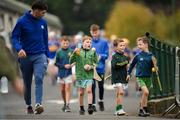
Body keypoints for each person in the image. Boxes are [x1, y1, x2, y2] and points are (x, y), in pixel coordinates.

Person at [12, 0, 49, 114]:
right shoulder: (22, 21)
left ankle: (38, 104)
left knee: (38, 78)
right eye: (43, 12)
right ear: (36, 11)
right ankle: (28, 105)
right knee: (27, 83)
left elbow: (45, 40)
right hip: (25, 56)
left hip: (40, 55)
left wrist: (47, 56)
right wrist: (19, 49)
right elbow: (14, 37)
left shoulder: (43, 22)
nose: (44, 15)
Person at [127, 36, 157, 117]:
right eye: (138, 44)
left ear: (146, 44)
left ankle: (144, 109)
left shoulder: (151, 56)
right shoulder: (138, 55)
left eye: (140, 44)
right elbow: (132, 65)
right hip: (140, 77)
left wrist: (155, 66)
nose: (138, 46)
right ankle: (142, 109)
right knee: (146, 92)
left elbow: (154, 68)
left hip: (148, 77)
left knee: (146, 94)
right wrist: (128, 74)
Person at [70, 36, 98, 115]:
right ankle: (81, 108)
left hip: (89, 75)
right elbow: (71, 61)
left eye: (90, 42)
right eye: (87, 42)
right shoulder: (78, 51)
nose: (89, 43)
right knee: (81, 93)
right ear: (82, 43)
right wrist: (74, 53)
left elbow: (96, 63)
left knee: (89, 90)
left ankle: (90, 106)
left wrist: (91, 67)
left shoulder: (93, 52)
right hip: (80, 75)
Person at [90, 24, 109, 111]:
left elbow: (107, 54)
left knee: (101, 86)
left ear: (99, 32)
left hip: (100, 68)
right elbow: (81, 50)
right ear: (91, 32)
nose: (95, 34)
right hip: (91, 68)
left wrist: (100, 56)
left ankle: (100, 100)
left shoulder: (104, 42)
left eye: (96, 32)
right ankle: (93, 104)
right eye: (93, 32)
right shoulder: (88, 41)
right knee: (92, 86)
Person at [54, 36, 73, 112]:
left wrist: (71, 65)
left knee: (67, 88)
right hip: (61, 73)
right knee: (62, 89)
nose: (65, 44)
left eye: (67, 43)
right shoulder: (58, 52)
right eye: (64, 43)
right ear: (61, 43)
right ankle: (65, 103)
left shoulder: (71, 51)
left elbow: (75, 60)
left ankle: (68, 105)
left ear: (69, 43)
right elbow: (56, 63)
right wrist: (63, 66)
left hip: (68, 73)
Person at [111, 38, 129, 116]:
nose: (122, 47)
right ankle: (120, 109)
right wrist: (123, 63)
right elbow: (114, 66)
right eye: (120, 45)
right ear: (116, 47)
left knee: (119, 93)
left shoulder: (125, 57)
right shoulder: (114, 56)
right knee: (121, 92)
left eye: (124, 45)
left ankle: (117, 110)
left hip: (123, 77)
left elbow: (127, 67)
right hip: (117, 78)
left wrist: (128, 74)